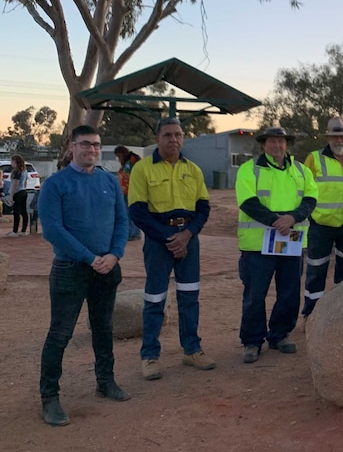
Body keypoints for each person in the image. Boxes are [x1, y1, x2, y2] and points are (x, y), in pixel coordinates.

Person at [37, 125, 130, 426]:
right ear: (71, 147)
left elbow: (121, 221)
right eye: (86, 144)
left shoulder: (109, 181)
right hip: (70, 270)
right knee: (60, 334)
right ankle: (50, 397)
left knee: (103, 329)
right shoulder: (55, 184)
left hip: (107, 268)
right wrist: (91, 258)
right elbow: (53, 231)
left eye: (96, 145)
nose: (92, 149)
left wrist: (115, 255)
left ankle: (106, 382)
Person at [129, 116, 214, 380]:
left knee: (189, 296)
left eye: (178, 134)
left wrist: (187, 235)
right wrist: (170, 238)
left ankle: (192, 349)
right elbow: (138, 213)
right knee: (155, 299)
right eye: (167, 135)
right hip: (158, 241)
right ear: (157, 139)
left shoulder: (194, 169)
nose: (174, 139)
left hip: (189, 239)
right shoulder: (143, 169)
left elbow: (203, 208)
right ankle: (150, 356)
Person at [236, 127, 318, 363]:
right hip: (257, 244)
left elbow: (311, 198)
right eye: (272, 141)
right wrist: (276, 221)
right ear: (263, 144)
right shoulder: (249, 170)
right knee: (255, 294)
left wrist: (292, 218)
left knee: (289, 291)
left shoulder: (301, 170)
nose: (277, 146)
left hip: (290, 240)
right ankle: (252, 341)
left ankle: (280, 335)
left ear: (287, 145)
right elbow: (248, 202)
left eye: (281, 142)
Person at [300, 118, 343, 329]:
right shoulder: (314, 159)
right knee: (316, 271)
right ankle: (311, 315)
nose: (339, 139)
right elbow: (304, 190)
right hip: (321, 226)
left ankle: (340, 315)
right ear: (328, 137)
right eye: (335, 135)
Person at [114, 145, 142, 241]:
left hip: (129, 191)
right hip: (127, 191)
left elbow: (128, 176)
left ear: (122, 154)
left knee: (129, 213)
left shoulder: (129, 163)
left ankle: (134, 233)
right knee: (128, 213)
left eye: (118, 156)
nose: (118, 159)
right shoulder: (130, 161)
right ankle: (132, 232)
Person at [6, 154, 29, 237]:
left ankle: (15, 231)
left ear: (15, 162)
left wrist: (11, 196)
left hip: (17, 193)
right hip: (23, 191)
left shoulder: (17, 171)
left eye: (11, 161)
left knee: (16, 212)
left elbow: (15, 184)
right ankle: (23, 230)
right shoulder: (24, 171)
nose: (11, 163)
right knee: (24, 212)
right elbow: (25, 182)